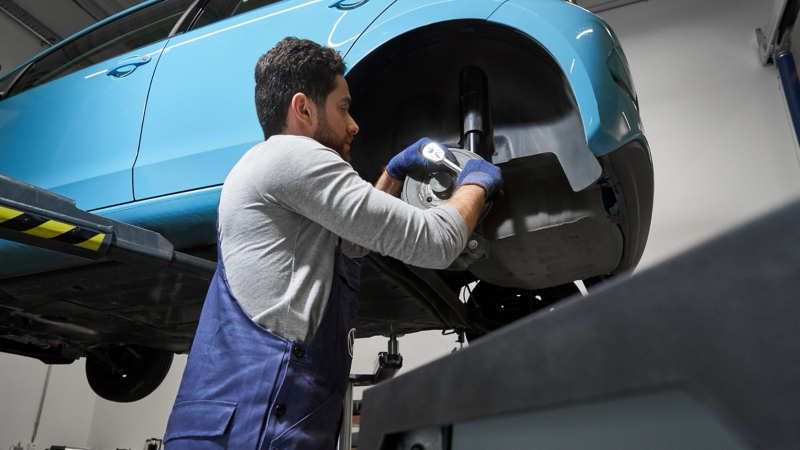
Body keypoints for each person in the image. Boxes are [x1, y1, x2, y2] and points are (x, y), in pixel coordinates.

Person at [163, 37, 502, 448]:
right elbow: (437, 242)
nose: (355, 125)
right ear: (303, 108)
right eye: (343, 108)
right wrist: (476, 182)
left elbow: (351, 244)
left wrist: (392, 174)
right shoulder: (292, 156)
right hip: (257, 423)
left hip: (256, 419)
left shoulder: (269, 169)